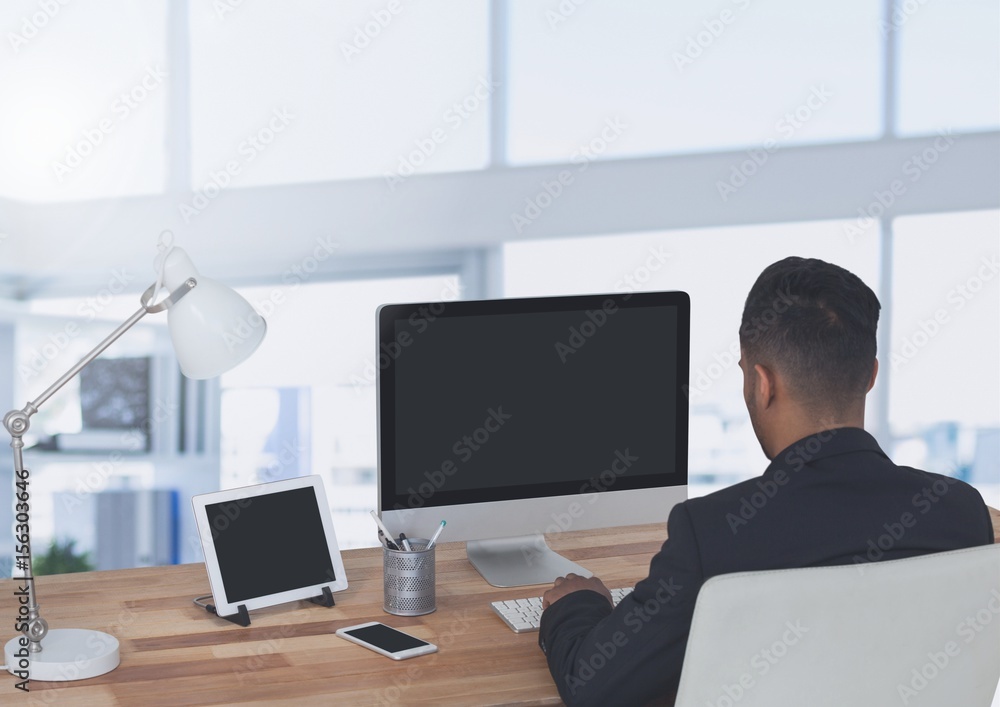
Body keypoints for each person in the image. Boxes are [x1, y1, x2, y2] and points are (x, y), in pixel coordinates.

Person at [537, 256, 995, 706]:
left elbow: (593, 685)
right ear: (871, 376)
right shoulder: (962, 513)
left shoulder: (712, 534)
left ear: (761, 384)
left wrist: (576, 606)